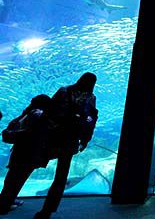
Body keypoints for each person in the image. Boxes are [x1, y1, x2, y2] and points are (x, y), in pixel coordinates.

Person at [0, 73, 98, 218]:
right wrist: (84, 138)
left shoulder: (68, 92)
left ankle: (8, 204)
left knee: (21, 174)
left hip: (60, 141)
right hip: (64, 141)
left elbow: (52, 114)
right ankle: (46, 210)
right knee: (59, 177)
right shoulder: (87, 97)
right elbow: (89, 119)